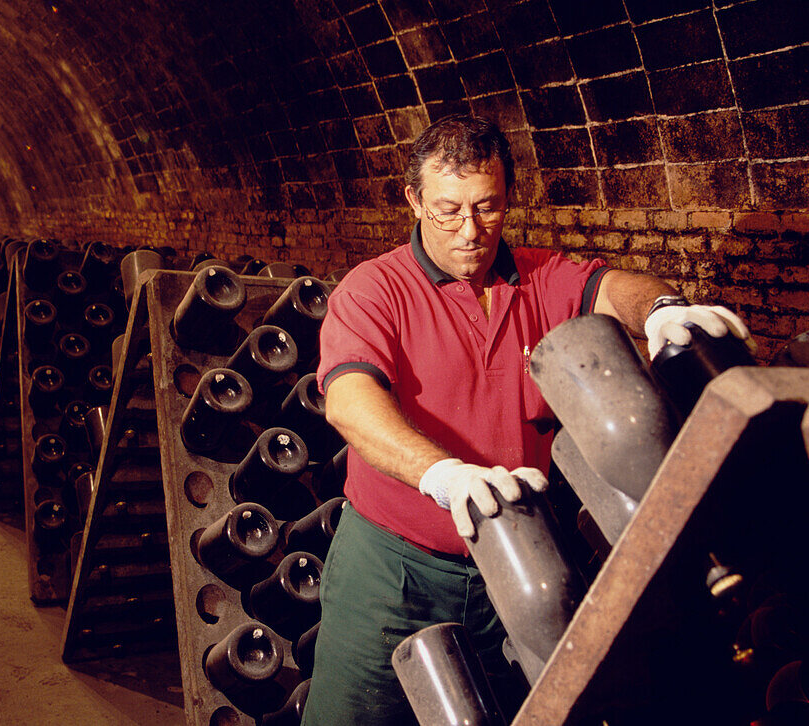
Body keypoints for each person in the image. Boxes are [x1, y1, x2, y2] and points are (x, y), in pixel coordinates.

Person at [301, 114, 751, 724]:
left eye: (487, 207)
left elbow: (617, 287)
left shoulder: (540, 277)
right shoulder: (374, 289)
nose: (470, 230)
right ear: (413, 199)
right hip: (394, 570)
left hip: (516, 563)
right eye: (448, 209)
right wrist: (443, 474)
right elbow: (350, 401)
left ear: (508, 197)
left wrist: (664, 310)